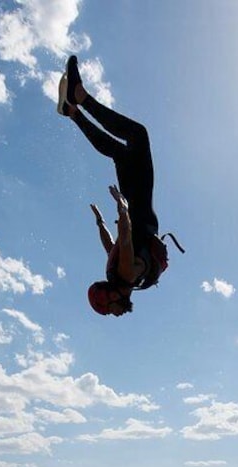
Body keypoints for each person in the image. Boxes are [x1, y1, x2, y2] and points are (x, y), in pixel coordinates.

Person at [57, 55, 166, 317]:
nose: (115, 313)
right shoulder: (120, 274)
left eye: (110, 309)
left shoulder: (125, 275)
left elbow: (123, 239)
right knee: (121, 151)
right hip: (134, 204)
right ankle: (72, 110)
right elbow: (111, 245)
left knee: (137, 137)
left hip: (135, 203)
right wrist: (100, 222)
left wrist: (120, 209)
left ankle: (78, 98)